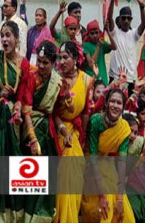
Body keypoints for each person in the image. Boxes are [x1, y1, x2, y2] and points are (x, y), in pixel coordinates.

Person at [0, 21, 33, 221]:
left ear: (16, 39)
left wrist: (18, 105)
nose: (5, 39)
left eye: (8, 35)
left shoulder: (24, 64)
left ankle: (17, 213)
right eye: (2, 35)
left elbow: (23, 94)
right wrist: (1, 96)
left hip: (17, 117)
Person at [80, 88, 136, 223]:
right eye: (112, 101)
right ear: (106, 103)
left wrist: (120, 199)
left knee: (124, 212)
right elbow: (92, 159)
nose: (115, 106)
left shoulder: (124, 129)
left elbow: (122, 163)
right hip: (90, 166)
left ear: (123, 107)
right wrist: (102, 197)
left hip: (109, 166)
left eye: (119, 103)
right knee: (106, 205)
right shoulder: (96, 121)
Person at [20, 41, 61, 221]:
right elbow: (26, 110)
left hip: (48, 131)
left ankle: (40, 217)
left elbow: (57, 112)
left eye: (46, 63)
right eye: (40, 61)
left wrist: (63, 131)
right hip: (30, 132)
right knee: (27, 177)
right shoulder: (31, 77)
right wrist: (33, 138)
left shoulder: (57, 81)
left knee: (45, 179)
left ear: (53, 63)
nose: (42, 66)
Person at [53, 41, 94, 223]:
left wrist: (83, 137)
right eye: (60, 58)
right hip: (56, 130)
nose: (61, 62)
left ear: (76, 59)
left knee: (75, 176)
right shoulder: (54, 78)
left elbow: (85, 111)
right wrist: (62, 129)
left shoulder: (86, 80)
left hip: (75, 134)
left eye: (66, 58)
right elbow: (51, 112)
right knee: (62, 172)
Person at [107, 0, 145, 93]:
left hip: (129, 79)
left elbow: (143, 24)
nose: (126, 21)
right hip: (115, 77)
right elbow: (109, 18)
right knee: (113, 105)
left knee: (128, 107)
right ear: (119, 19)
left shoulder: (134, 34)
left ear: (131, 20)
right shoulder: (115, 33)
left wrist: (142, 6)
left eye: (128, 18)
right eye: (123, 18)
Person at [82, 20, 116, 85]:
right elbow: (91, 64)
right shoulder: (86, 45)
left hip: (103, 79)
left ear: (99, 33)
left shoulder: (102, 43)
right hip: (91, 79)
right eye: (92, 33)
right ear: (88, 34)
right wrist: (98, 47)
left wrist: (108, 32)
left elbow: (114, 47)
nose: (95, 35)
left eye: (96, 33)